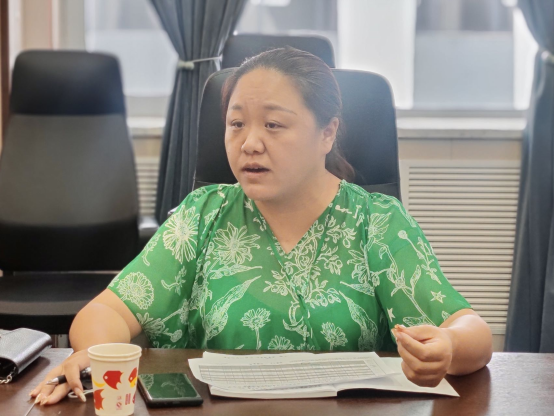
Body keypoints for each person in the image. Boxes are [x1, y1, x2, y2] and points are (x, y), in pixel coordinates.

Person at [31, 47, 492, 406]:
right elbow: (106, 312)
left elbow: (472, 330)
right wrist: (95, 351)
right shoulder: (203, 214)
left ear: (327, 133)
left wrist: (447, 346)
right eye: (236, 124)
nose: (249, 143)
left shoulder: (377, 221)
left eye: (273, 125)